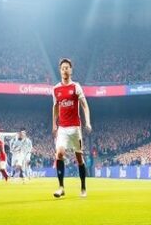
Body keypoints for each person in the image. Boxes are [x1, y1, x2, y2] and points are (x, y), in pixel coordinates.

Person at [52, 58, 92, 198]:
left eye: (67, 67)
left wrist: (87, 122)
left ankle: (83, 187)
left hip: (75, 128)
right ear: (60, 70)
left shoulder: (76, 87)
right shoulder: (56, 89)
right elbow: (55, 107)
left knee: (79, 158)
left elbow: (84, 105)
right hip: (62, 128)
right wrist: (54, 124)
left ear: (71, 70)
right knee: (59, 153)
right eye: (62, 68)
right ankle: (61, 187)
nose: (65, 70)